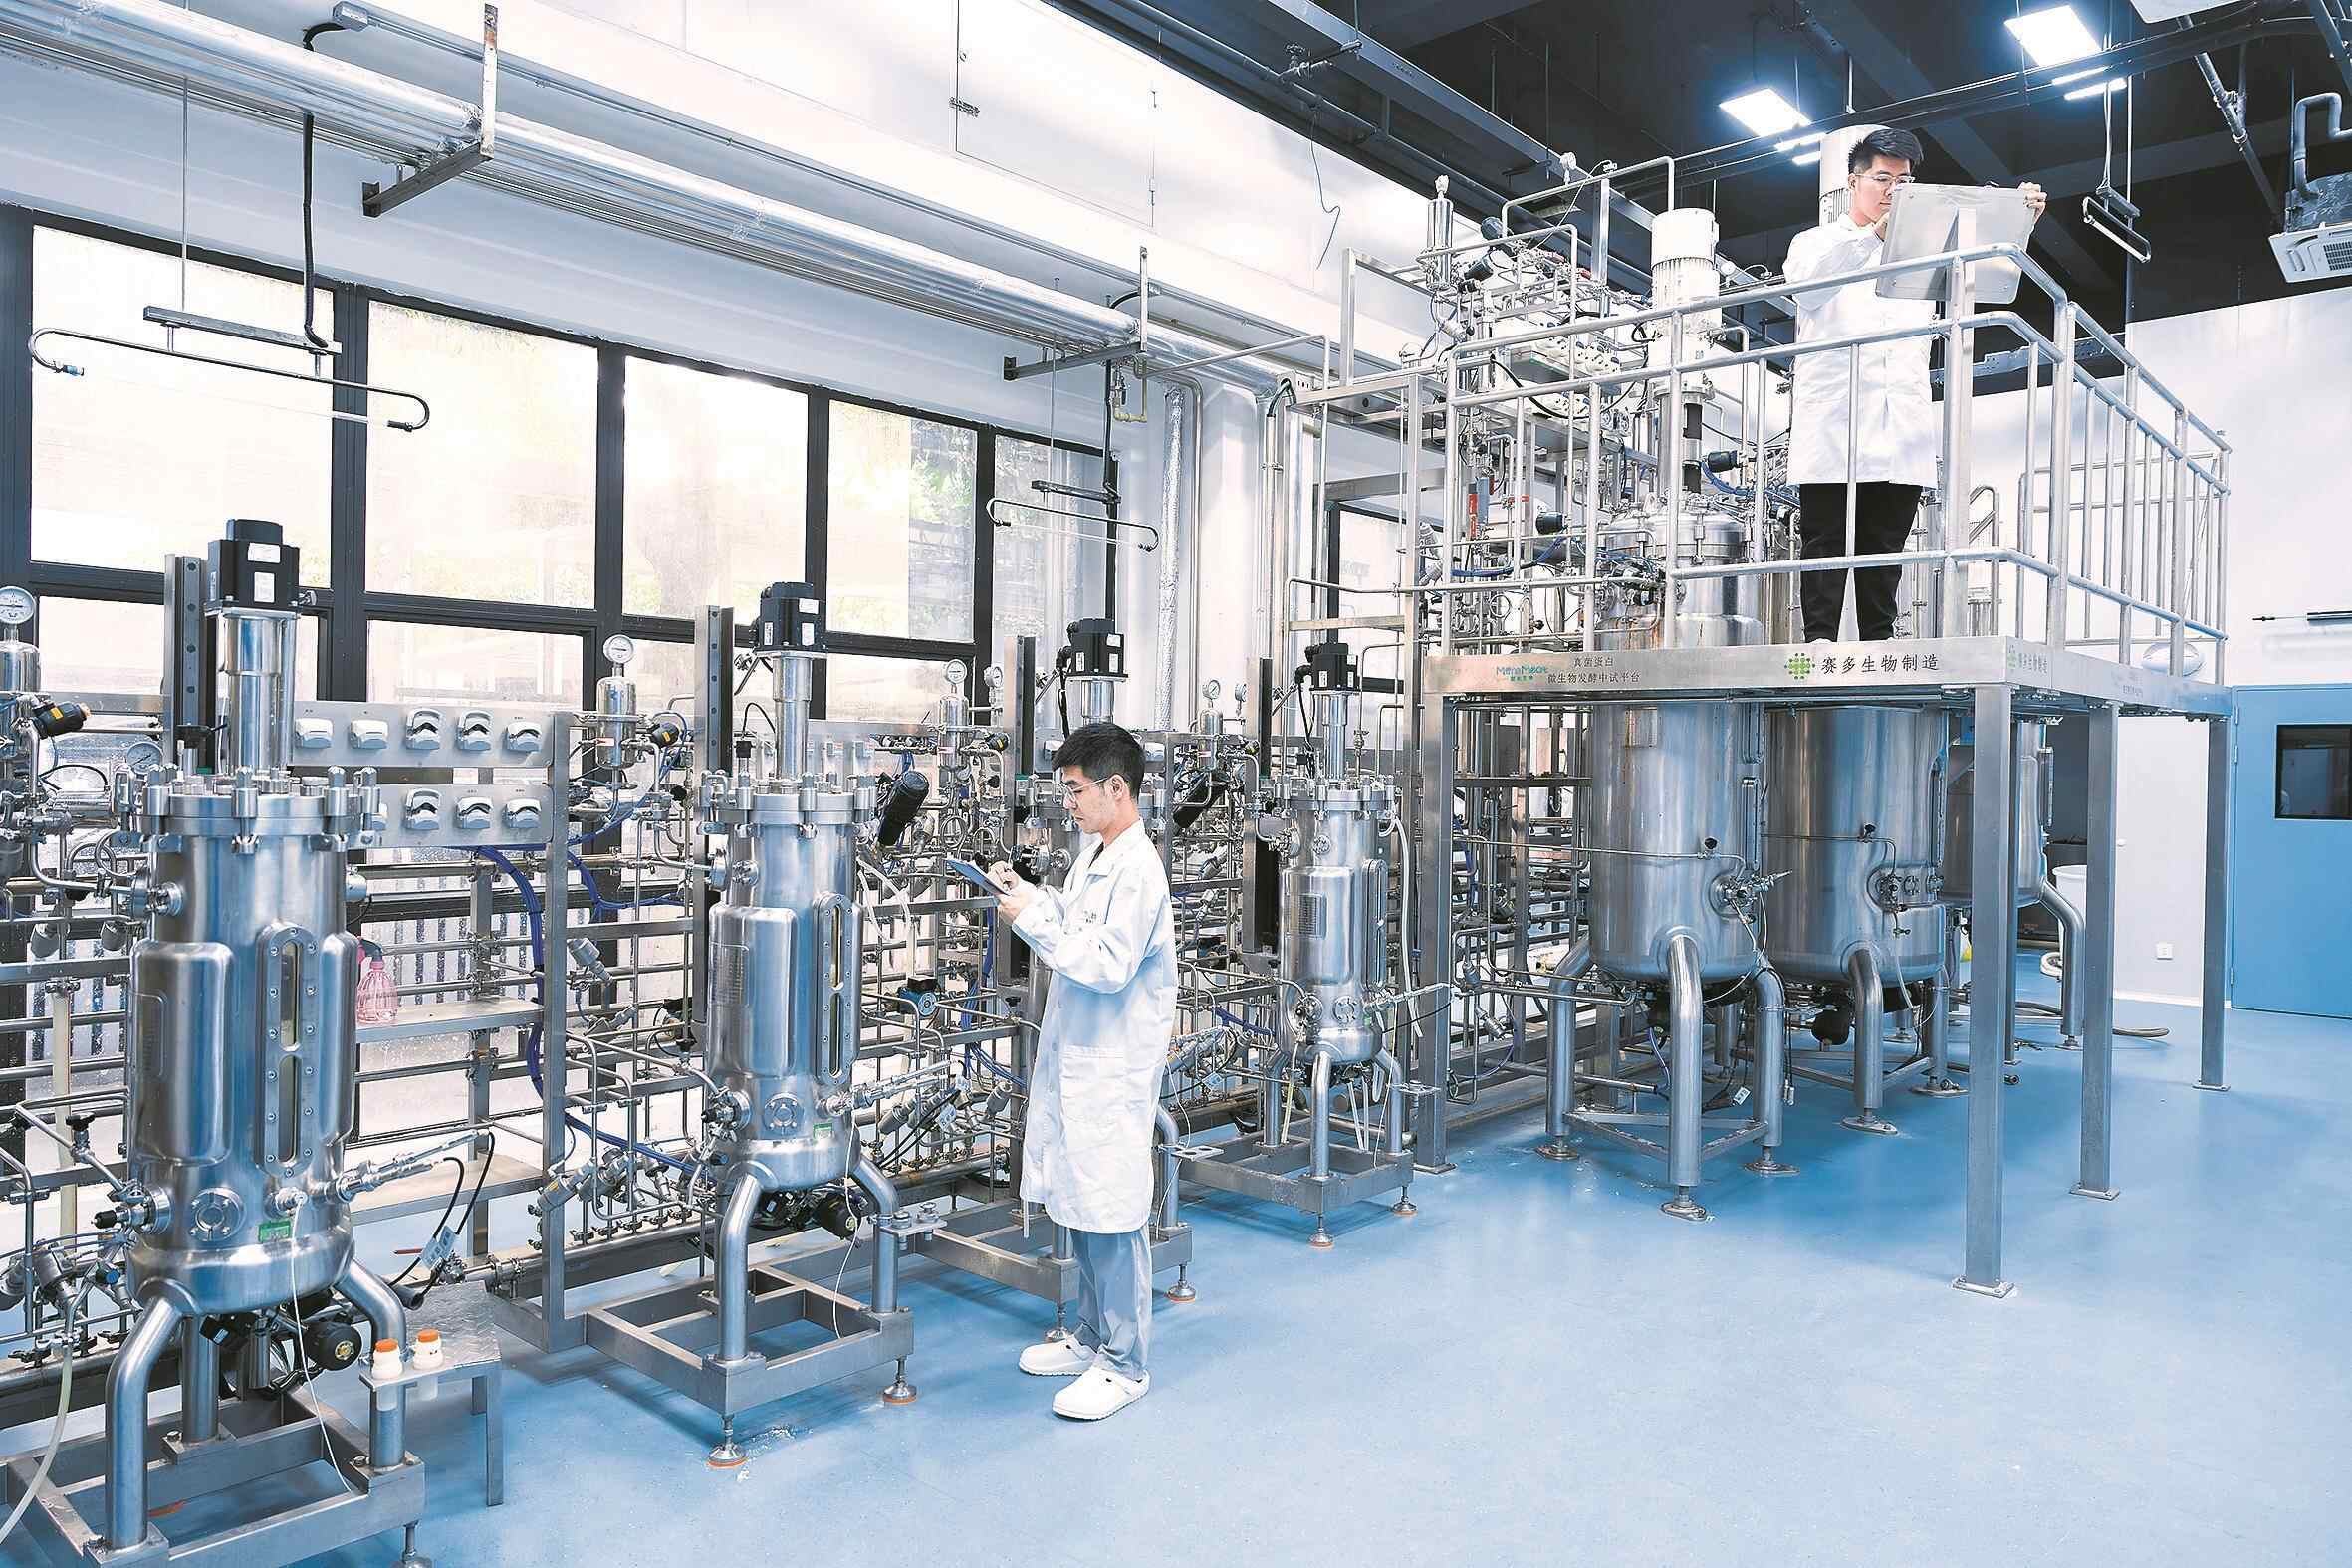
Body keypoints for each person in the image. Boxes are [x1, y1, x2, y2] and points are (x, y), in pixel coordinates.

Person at [1784, 127, 2046, 641]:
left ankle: (1880, 645)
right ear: (1854, 182)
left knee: (1886, 546)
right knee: (1826, 541)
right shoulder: (1817, 242)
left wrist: (2020, 222)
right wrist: (1873, 239)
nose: (1892, 191)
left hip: (1900, 423)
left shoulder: (1926, 249)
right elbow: (1807, 290)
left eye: (1903, 182)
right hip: (1834, 420)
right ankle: (1818, 647)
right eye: (1882, 179)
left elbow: (1987, 274)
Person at [988, 721, 1176, 1422]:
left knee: (1113, 1210)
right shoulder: (1097, 856)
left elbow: (1107, 962)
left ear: (1115, 788)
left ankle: (1125, 1364)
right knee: (1086, 1203)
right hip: (1083, 1058)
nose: (1067, 804)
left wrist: (1033, 923)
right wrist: (1034, 898)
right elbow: (1077, 921)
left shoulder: (1139, 869)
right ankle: (1093, 1337)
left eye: (1074, 790)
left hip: (1113, 1065)